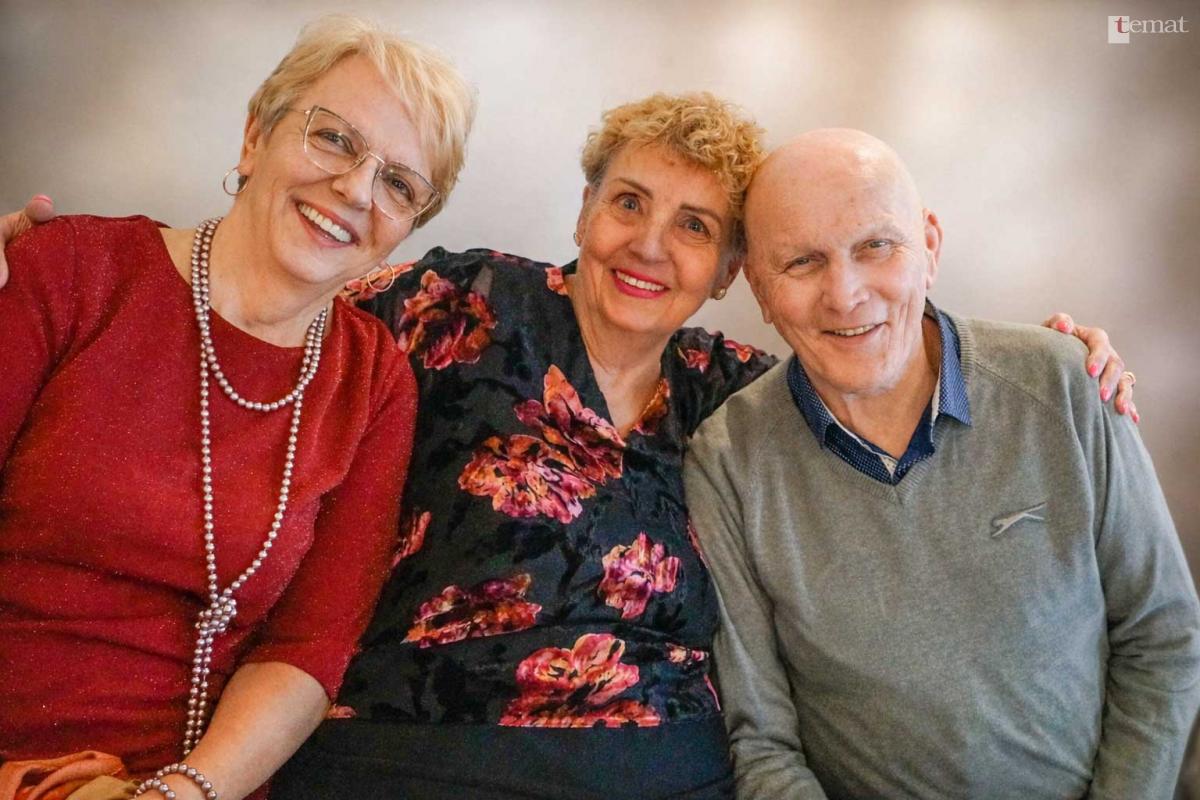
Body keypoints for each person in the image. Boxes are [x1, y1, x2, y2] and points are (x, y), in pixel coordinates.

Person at [3, 94, 1134, 799]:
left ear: (728, 272)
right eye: (628, 202)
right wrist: (56, 265)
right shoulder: (455, 303)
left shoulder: (739, 395)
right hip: (412, 754)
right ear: (585, 211)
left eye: (695, 226)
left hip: (662, 768)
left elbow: (882, 357)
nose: (650, 244)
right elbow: (261, 296)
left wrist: (1057, 360)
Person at [0, 15, 473, 800]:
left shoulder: (374, 381)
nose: (357, 189)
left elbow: (307, 648)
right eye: (335, 139)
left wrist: (181, 793)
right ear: (256, 136)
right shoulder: (74, 272)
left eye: (399, 184)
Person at [684, 128, 1199, 799]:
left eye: (876, 246)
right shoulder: (728, 461)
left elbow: (1164, 637)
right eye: (803, 262)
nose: (845, 294)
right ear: (758, 285)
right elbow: (761, 746)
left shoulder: (1067, 384)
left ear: (929, 246)